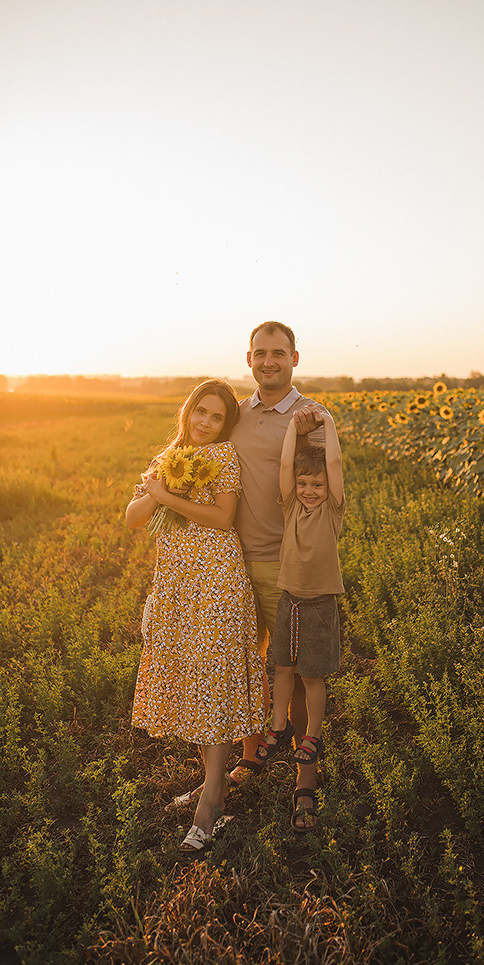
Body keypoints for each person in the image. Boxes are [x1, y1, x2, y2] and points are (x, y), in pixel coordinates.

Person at [125, 379, 265, 854]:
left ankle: (210, 806)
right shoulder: (169, 456)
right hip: (177, 584)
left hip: (216, 581)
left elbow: (223, 517)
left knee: (213, 683)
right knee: (191, 682)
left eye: (216, 417)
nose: (206, 422)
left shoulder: (223, 457)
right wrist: (157, 489)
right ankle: (214, 786)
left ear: (225, 425)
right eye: (200, 412)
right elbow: (133, 517)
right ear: (187, 412)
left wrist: (165, 496)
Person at [229, 322, 331, 830]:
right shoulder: (235, 414)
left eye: (279, 353)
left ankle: (303, 784)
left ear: (294, 358)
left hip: (285, 563)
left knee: (297, 670)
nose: (269, 361)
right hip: (229, 561)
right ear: (248, 358)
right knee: (245, 665)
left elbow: (325, 488)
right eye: (260, 353)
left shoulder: (312, 416)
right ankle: (251, 758)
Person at [255, 413, 345, 830]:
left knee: (311, 676)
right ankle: (279, 726)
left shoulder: (333, 511)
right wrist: (293, 427)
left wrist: (327, 422)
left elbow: (335, 463)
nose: (309, 491)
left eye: (317, 485)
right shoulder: (290, 505)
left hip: (319, 605)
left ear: (329, 489)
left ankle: (312, 736)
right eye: (304, 484)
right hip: (289, 600)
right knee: (280, 668)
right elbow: (286, 464)